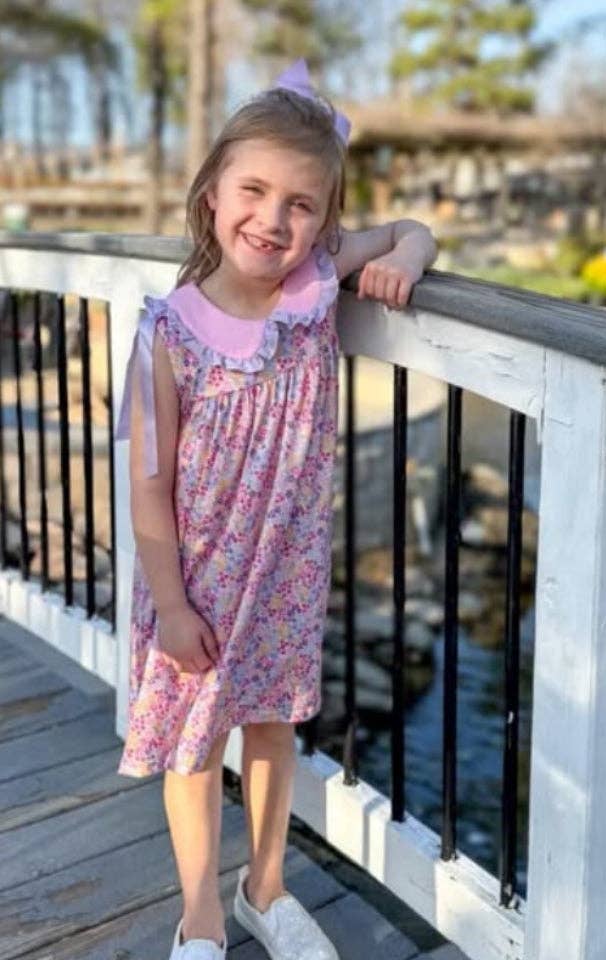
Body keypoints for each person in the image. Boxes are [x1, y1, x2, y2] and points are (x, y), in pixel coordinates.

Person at [114, 59, 437, 960]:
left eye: (301, 204)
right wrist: (171, 605)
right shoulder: (165, 334)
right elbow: (147, 485)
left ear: (324, 222)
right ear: (212, 194)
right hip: (194, 585)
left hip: (284, 574)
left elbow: (410, 229)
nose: (273, 219)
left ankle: (264, 887)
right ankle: (200, 916)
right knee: (192, 748)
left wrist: (406, 257)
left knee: (271, 726)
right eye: (253, 191)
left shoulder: (317, 285)